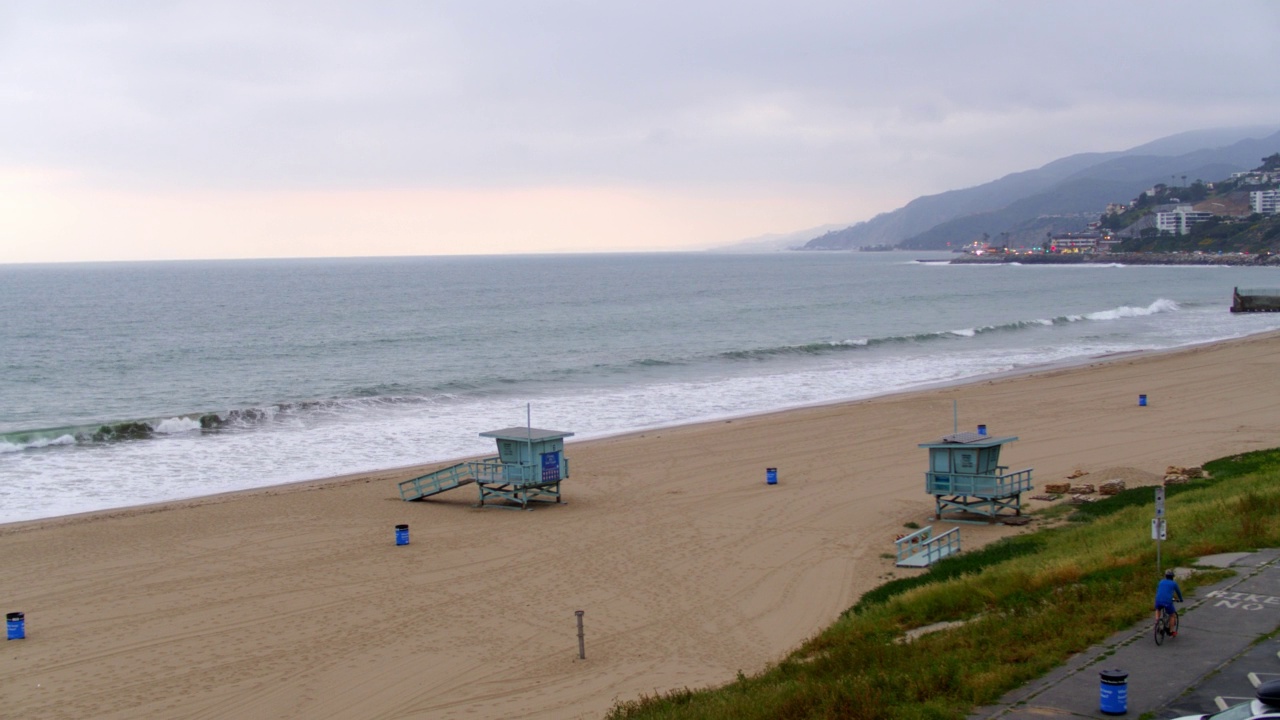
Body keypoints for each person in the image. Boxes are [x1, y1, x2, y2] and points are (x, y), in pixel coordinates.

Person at [1155, 568, 1184, 635]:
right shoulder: (1174, 583)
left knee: (1157, 609)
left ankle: (1157, 622)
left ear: (1165, 576)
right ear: (1172, 577)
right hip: (1167, 601)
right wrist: (1181, 599)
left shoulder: (1161, 581)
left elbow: (1158, 590)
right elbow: (1178, 592)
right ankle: (1171, 631)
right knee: (1172, 615)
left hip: (1158, 600)